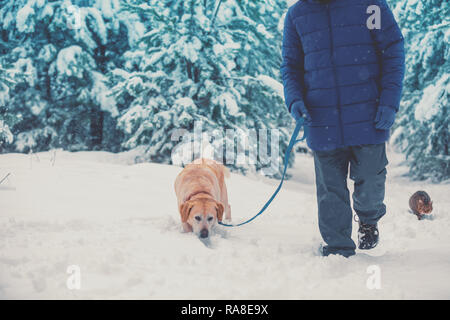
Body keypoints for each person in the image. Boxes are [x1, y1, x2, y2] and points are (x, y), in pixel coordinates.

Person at [281, 0, 405, 257]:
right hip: (321, 119)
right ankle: (338, 249)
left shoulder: (370, 6)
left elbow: (392, 50)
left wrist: (389, 102)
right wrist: (295, 99)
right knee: (330, 190)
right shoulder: (297, 15)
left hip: (368, 115)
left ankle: (369, 219)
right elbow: (290, 67)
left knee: (371, 179)